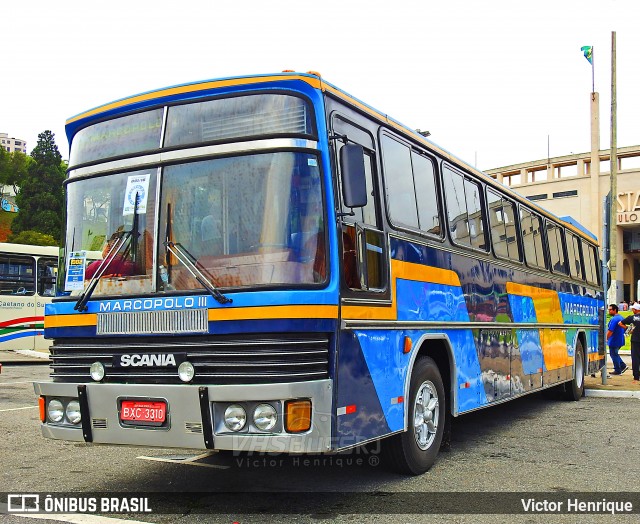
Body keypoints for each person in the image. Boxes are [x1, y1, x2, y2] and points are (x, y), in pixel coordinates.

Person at [620, 302, 640, 383]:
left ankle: (636, 376)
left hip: (635, 340)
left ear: (635, 310)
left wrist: (629, 329)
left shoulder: (632, 317)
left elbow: (620, 323)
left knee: (635, 358)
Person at [607, 304, 628, 375]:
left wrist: (606, 338)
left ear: (615, 310)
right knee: (615, 354)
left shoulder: (614, 319)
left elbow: (610, 330)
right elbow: (625, 328)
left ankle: (618, 369)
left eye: (610, 310)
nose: (609, 311)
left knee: (613, 354)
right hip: (620, 339)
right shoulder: (621, 317)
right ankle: (622, 366)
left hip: (614, 339)